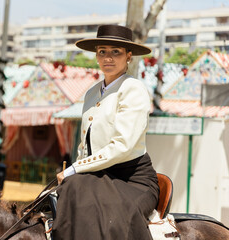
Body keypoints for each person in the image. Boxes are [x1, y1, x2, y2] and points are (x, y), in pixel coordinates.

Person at [53, 25, 160, 240]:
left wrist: (75, 169)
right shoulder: (92, 92)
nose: (108, 58)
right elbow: (85, 144)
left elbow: (122, 146)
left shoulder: (134, 89)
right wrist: (74, 173)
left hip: (132, 179)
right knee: (70, 189)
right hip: (99, 176)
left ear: (129, 56)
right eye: (102, 51)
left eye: (116, 52)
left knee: (116, 214)